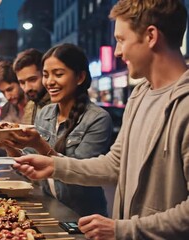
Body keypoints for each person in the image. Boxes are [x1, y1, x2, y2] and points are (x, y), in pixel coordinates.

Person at [13, 0, 189, 239]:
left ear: (150, 36)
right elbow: (115, 164)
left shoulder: (185, 105)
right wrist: (55, 166)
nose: (117, 51)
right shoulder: (139, 95)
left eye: (121, 39)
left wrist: (122, 229)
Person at [0, 44, 113, 217]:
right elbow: (28, 166)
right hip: (50, 207)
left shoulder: (97, 119)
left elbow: (80, 177)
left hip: (82, 218)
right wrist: (6, 143)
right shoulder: (45, 113)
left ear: (80, 77)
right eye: (45, 75)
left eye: (58, 74)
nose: (49, 82)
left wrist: (40, 144)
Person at [13, 48, 51, 124]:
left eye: (32, 80)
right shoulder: (30, 107)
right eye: (22, 82)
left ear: (45, 75)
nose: (27, 88)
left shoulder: (61, 105)